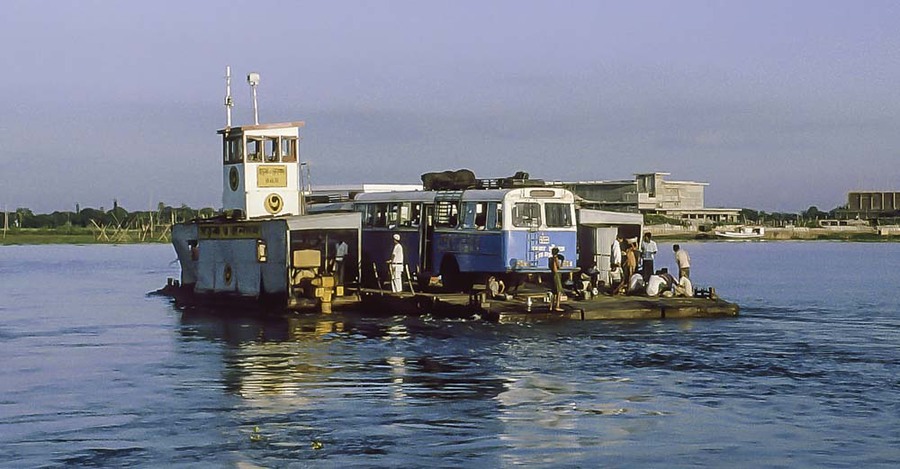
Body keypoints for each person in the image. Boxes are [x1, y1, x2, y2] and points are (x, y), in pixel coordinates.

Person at [549, 247, 564, 311]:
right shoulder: (556, 258)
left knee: (553, 291)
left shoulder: (550, 259)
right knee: (559, 291)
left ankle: (551, 306)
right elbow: (559, 267)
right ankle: (557, 306)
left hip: (552, 275)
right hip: (557, 275)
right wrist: (562, 262)